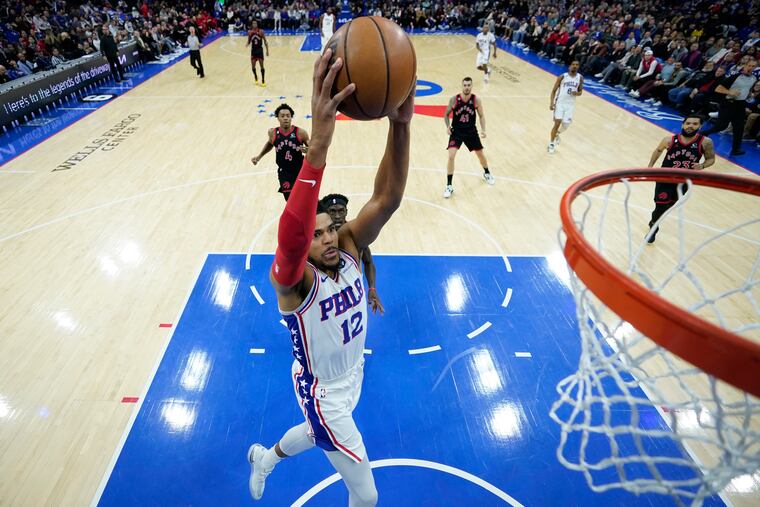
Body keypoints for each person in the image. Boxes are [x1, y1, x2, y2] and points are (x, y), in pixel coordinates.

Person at [247, 48, 413, 507]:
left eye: (331, 230)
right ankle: (270, 459)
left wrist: (401, 125)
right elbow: (293, 237)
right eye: (317, 233)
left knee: (315, 435)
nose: (328, 238)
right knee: (367, 495)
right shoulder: (294, 282)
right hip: (321, 391)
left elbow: (388, 197)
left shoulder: (352, 249)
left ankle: (267, 458)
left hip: (352, 374)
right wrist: (317, 149)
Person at [646, 115, 715, 244]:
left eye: (694, 124)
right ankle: (653, 229)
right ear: (683, 125)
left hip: (684, 181)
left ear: (700, 126)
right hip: (665, 178)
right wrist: (650, 167)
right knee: (660, 206)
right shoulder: (669, 140)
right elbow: (658, 150)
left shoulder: (706, 142)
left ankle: (654, 220)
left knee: (668, 206)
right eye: (688, 123)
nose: (690, 126)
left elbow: (711, 158)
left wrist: (702, 165)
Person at [320, 194, 384, 314]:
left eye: (341, 211)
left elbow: (369, 262)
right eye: (332, 212)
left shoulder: (356, 235)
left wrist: (372, 288)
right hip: (329, 293)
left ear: (346, 212)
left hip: (352, 291)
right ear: (326, 213)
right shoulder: (321, 238)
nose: (337, 216)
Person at [443, 77, 494, 198]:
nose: (467, 87)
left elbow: (481, 116)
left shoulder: (476, 100)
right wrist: (448, 126)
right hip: (457, 131)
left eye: (469, 85)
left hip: (471, 131)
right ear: (462, 86)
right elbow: (445, 114)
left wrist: (483, 130)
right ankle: (449, 185)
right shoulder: (454, 99)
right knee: (451, 156)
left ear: (471, 86)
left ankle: (487, 173)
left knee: (480, 154)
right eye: (465, 85)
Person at [251, 103, 310, 201]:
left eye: (288, 116)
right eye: (282, 116)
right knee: (290, 199)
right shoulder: (272, 132)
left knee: (304, 198)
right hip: (284, 172)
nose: (285, 118)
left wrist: (309, 151)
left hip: (300, 170)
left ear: (291, 117)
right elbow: (270, 143)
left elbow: (313, 149)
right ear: (278, 118)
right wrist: (259, 157)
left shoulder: (301, 133)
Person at [701, 60, 758, 156]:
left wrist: (748, 95)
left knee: (739, 128)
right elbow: (718, 88)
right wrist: (730, 92)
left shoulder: (754, 78)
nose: (750, 68)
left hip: (740, 104)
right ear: (744, 66)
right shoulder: (735, 76)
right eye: (749, 65)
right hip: (728, 103)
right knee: (721, 126)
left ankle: (736, 149)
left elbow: (747, 89)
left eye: (753, 66)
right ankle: (704, 133)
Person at [548, 60, 583, 154]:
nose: (575, 66)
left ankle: (557, 134)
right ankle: (551, 143)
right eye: (573, 64)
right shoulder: (562, 77)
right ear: (570, 66)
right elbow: (553, 91)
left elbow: (580, 92)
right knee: (557, 122)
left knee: (566, 125)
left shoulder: (580, 78)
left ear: (578, 67)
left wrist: (577, 93)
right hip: (560, 103)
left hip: (570, 104)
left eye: (577, 65)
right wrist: (551, 103)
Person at [247, 20, 269, 87]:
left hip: (260, 50)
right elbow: (249, 41)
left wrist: (267, 50)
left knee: (261, 66)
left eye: (255, 23)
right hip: (253, 51)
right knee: (253, 67)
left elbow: (265, 41)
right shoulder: (250, 32)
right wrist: (246, 44)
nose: (254, 24)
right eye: (253, 23)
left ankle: (263, 80)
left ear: (257, 24)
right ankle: (256, 76)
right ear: (252, 24)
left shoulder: (261, 31)